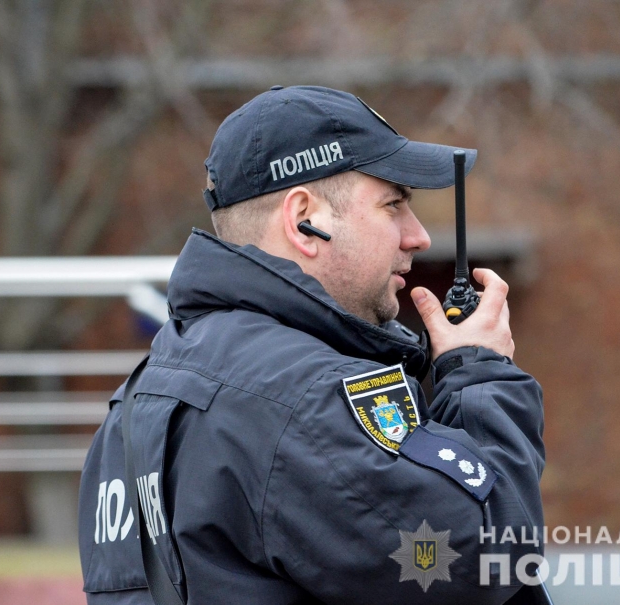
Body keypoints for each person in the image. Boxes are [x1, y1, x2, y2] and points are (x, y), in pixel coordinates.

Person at [78, 85, 545, 605]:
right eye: (393, 205)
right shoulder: (307, 400)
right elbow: (484, 560)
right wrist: (480, 376)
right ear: (306, 220)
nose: (418, 237)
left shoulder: (134, 403)